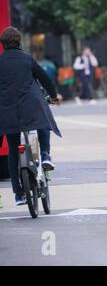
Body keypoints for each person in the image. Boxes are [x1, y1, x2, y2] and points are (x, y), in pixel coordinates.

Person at [0, 27, 61, 206]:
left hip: (7, 111)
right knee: (43, 120)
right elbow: (44, 79)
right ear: (19, 42)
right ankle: (45, 155)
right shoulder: (27, 58)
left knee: (12, 149)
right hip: (30, 105)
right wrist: (54, 96)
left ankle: (18, 194)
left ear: (2, 45)